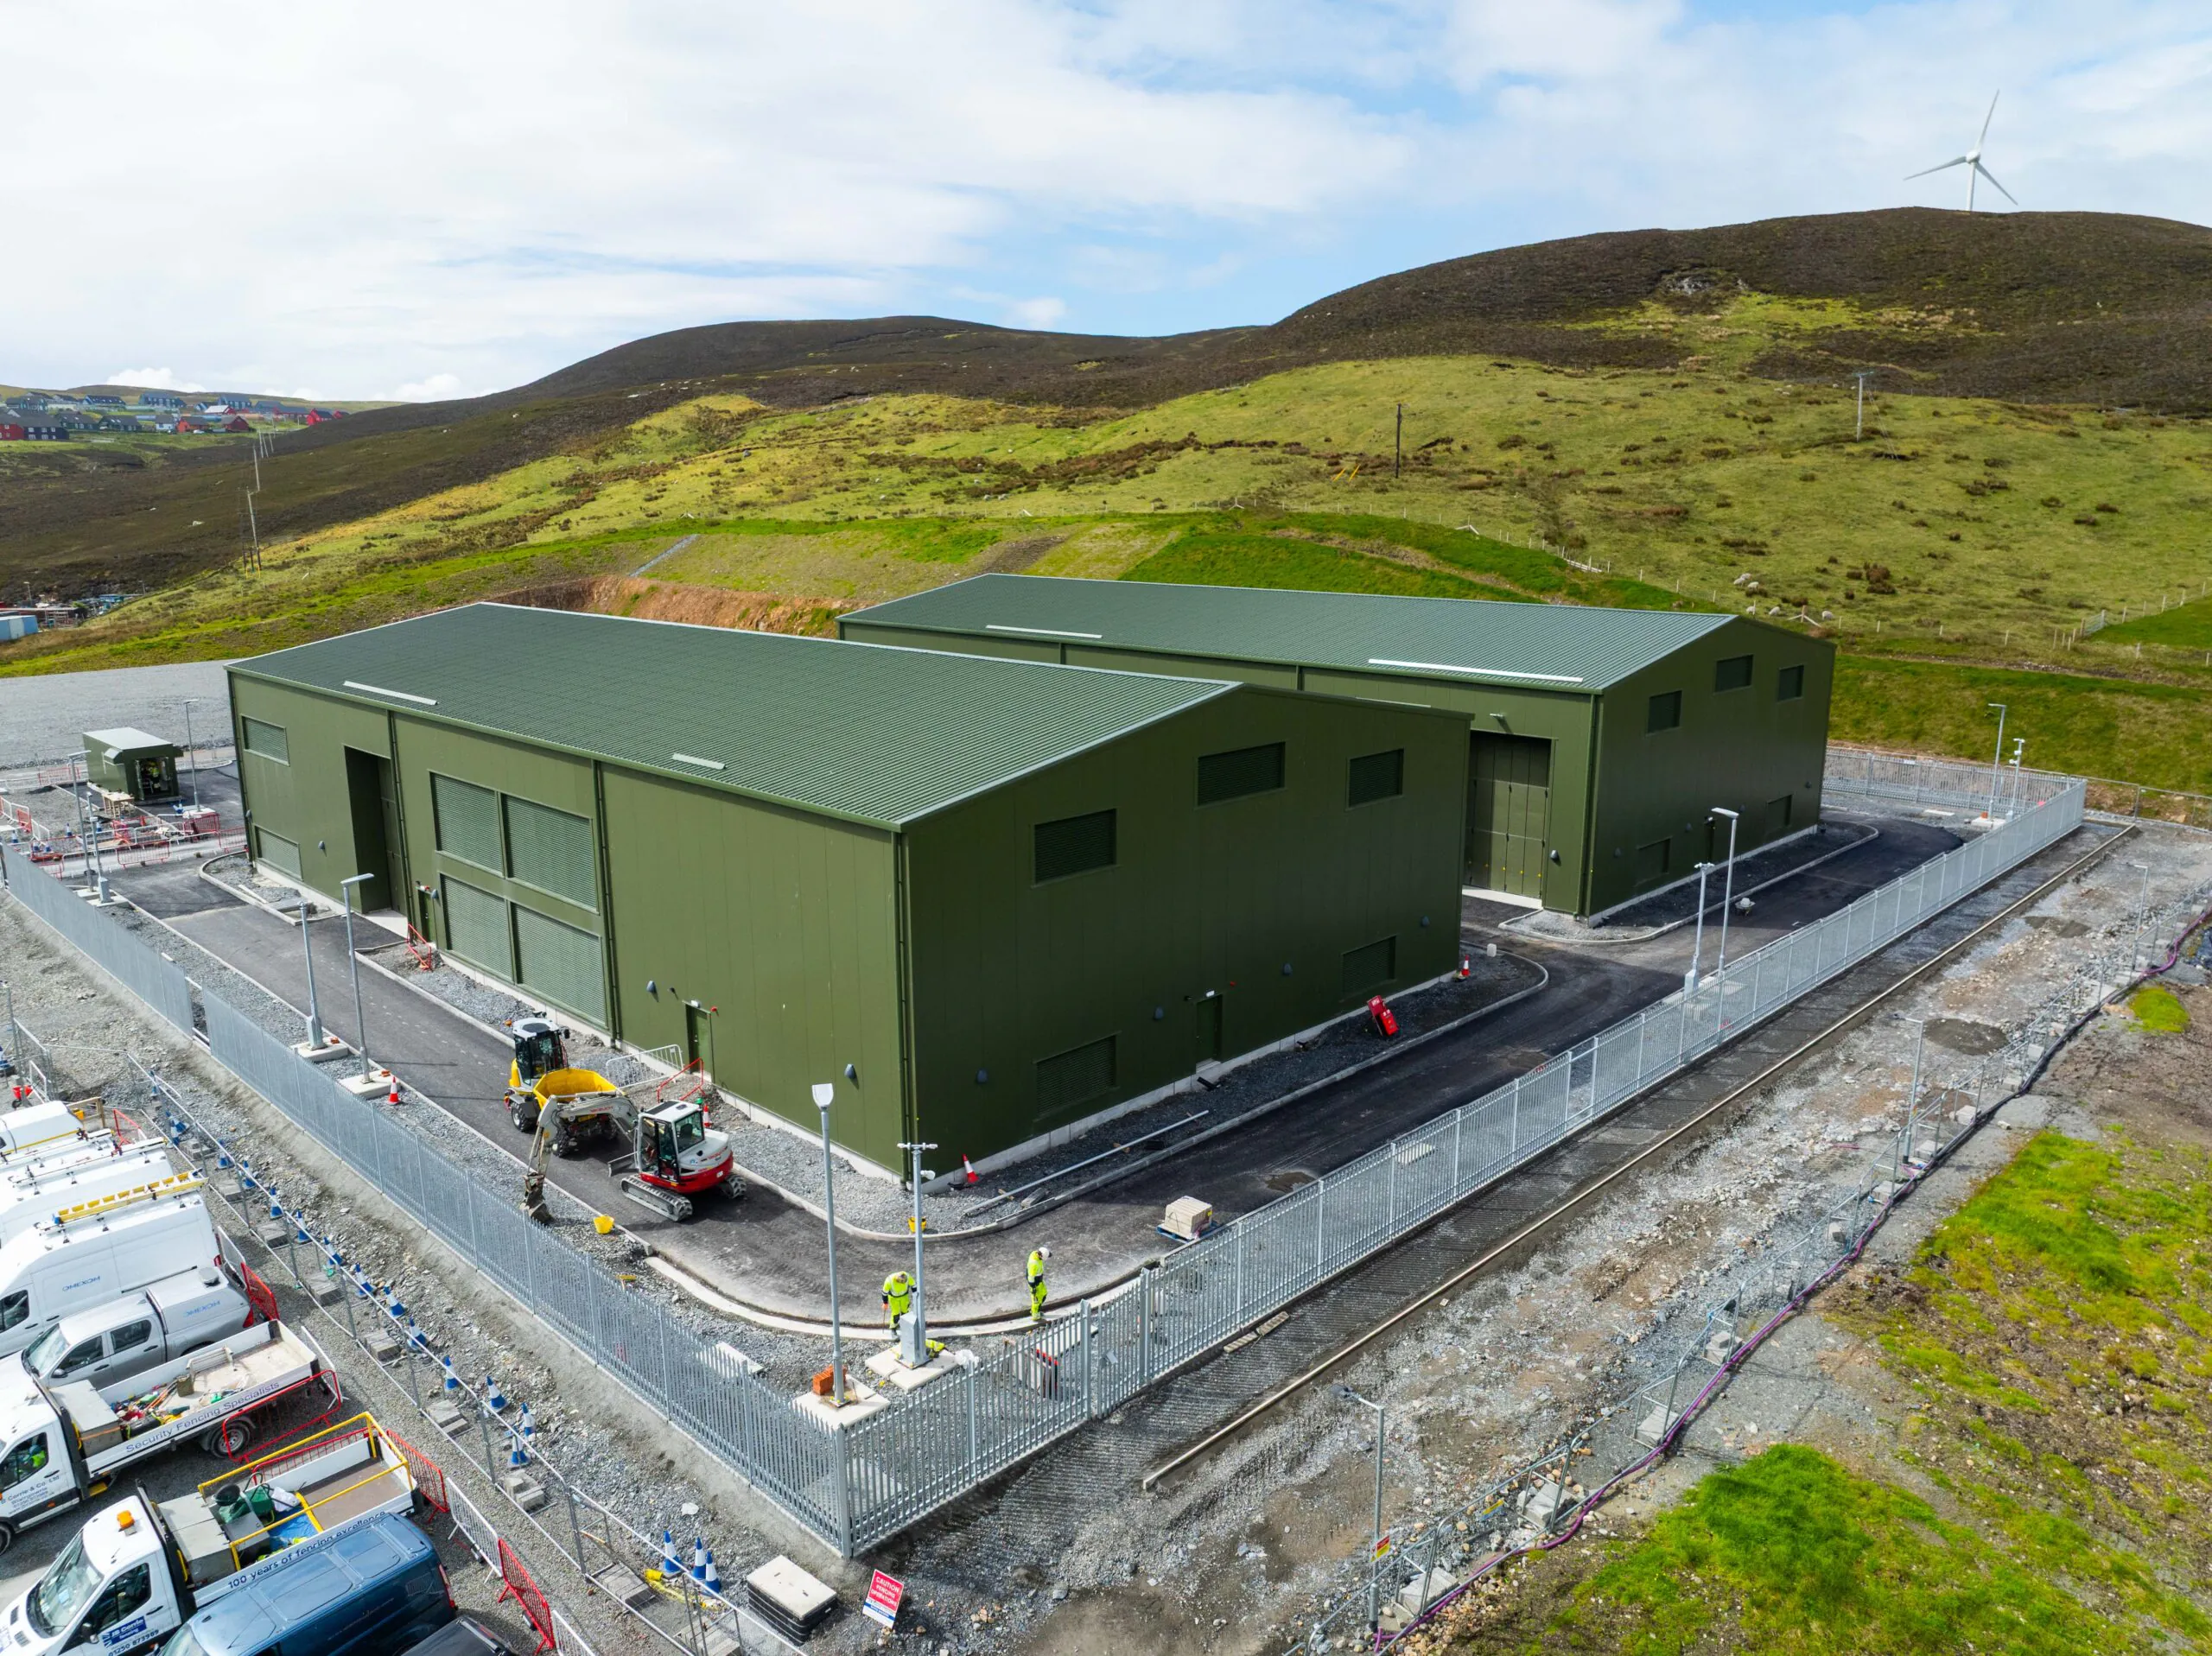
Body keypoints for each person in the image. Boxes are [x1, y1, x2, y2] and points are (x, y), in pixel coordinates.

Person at [880, 1270, 914, 1334]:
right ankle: (893, 1328)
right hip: (893, 1298)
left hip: (904, 1296)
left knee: (905, 1312)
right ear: (897, 1280)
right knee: (895, 1314)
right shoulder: (889, 1281)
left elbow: (914, 1286)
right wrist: (885, 1303)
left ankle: (905, 1327)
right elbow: (884, 1293)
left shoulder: (907, 1276)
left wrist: (915, 1295)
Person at [1026, 1246, 1050, 1324]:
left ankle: (1036, 1311)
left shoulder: (1034, 1254)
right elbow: (1031, 1277)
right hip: (1035, 1283)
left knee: (1044, 1294)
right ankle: (1036, 1316)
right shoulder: (1034, 1264)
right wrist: (1033, 1288)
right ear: (1040, 1256)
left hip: (1039, 1281)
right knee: (1036, 1300)